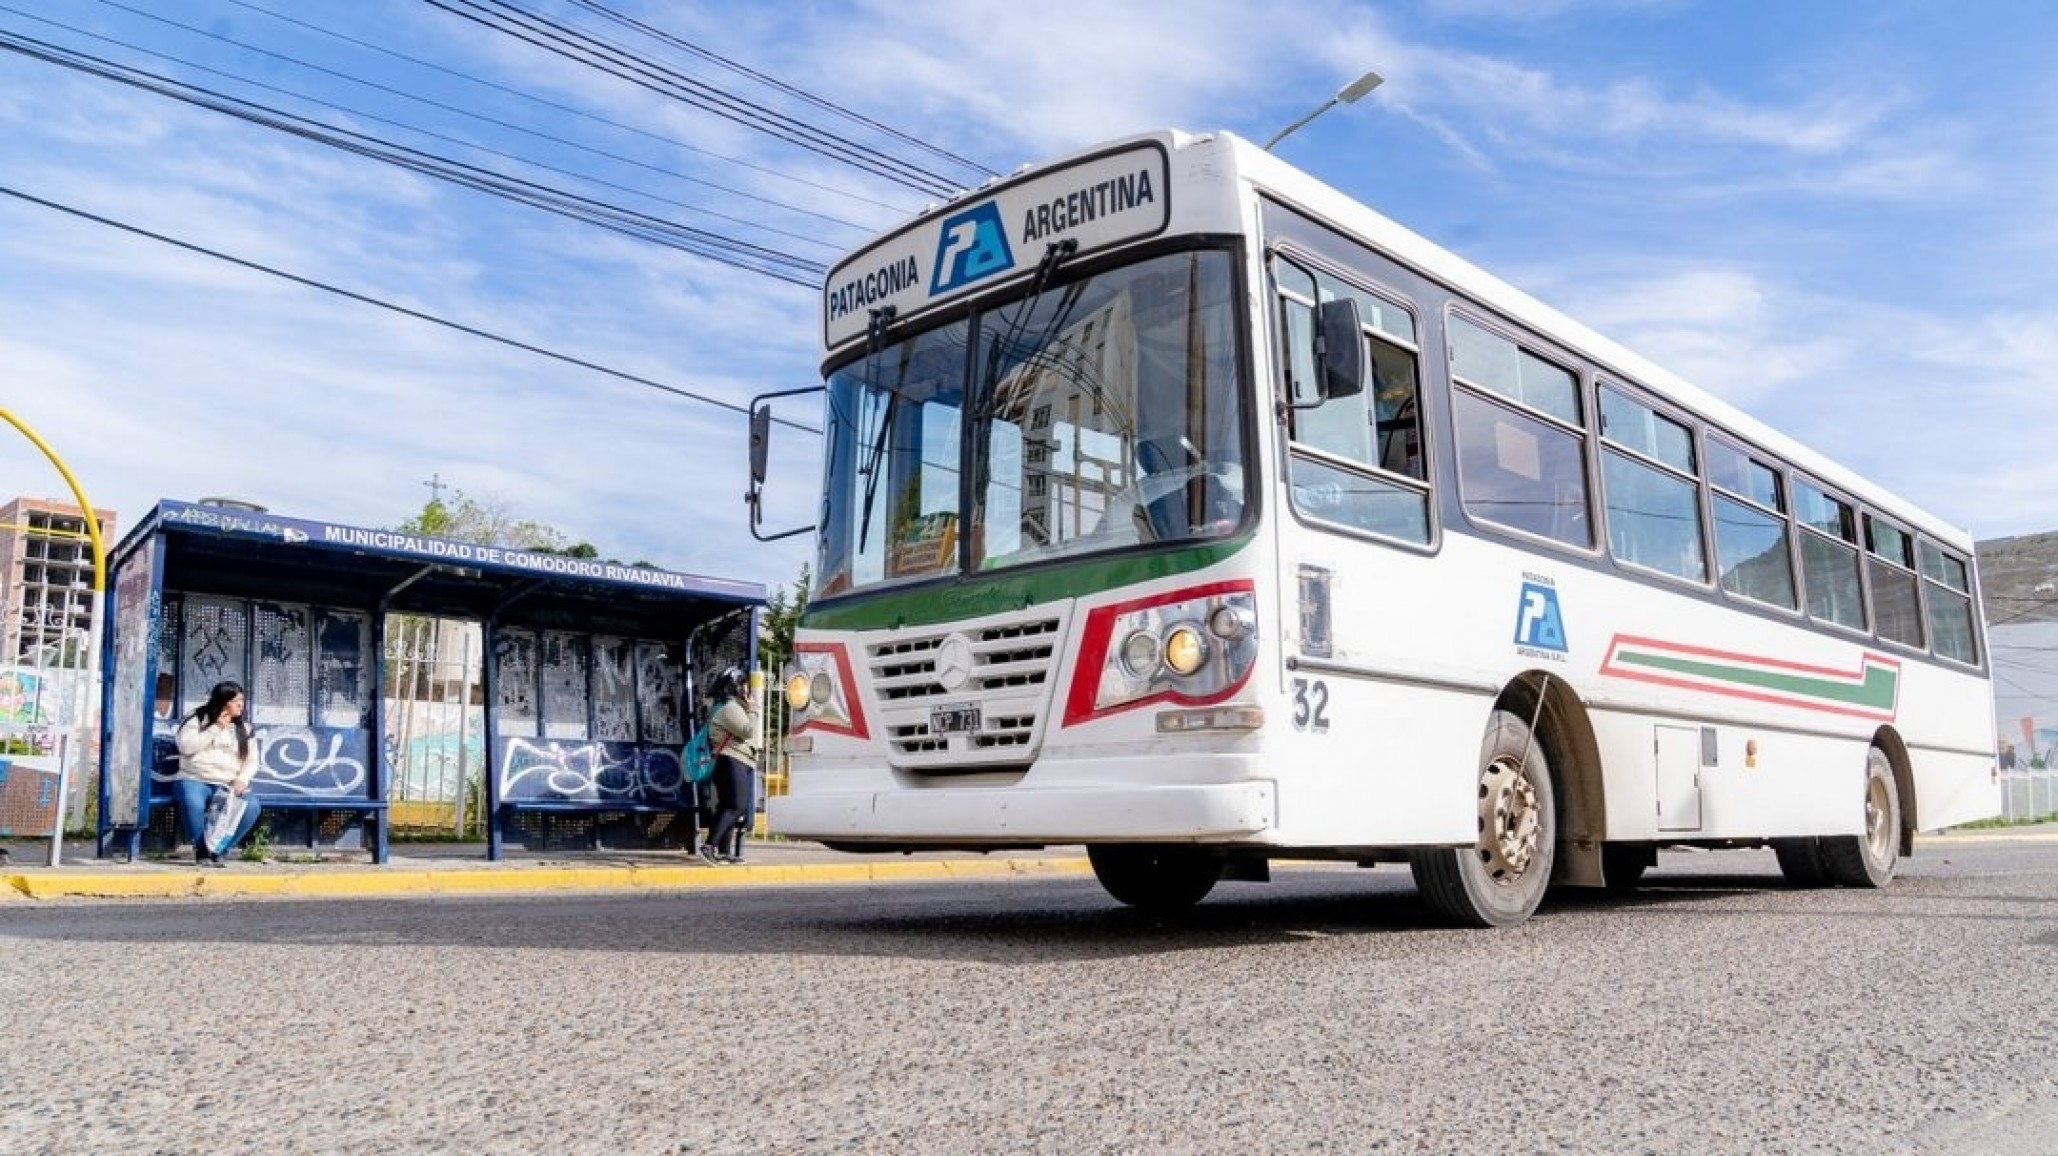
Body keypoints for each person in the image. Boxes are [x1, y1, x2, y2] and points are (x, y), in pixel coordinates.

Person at [173, 680, 264, 867]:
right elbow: (186, 747)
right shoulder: (197, 718)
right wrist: (216, 728)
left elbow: (252, 760)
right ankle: (201, 850)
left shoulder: (244, 728)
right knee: (192, 801)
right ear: (223, 702)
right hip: (195, 778)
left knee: (252, 806)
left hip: (227, 783)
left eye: (242, 700)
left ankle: (220, 849)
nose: (241, 705)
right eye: (236, 701)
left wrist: (242, 779)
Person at [699, 667, 760, 865]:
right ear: (734, 686)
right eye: (743, 685)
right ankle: (709, 846)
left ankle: (723, 850)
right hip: (731, 760)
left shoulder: (724, 706)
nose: (745, 690)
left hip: (728, 761)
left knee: (729, 805)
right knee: (737, 805)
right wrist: (753, 710)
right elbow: (747, 731)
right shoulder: (729, 707)